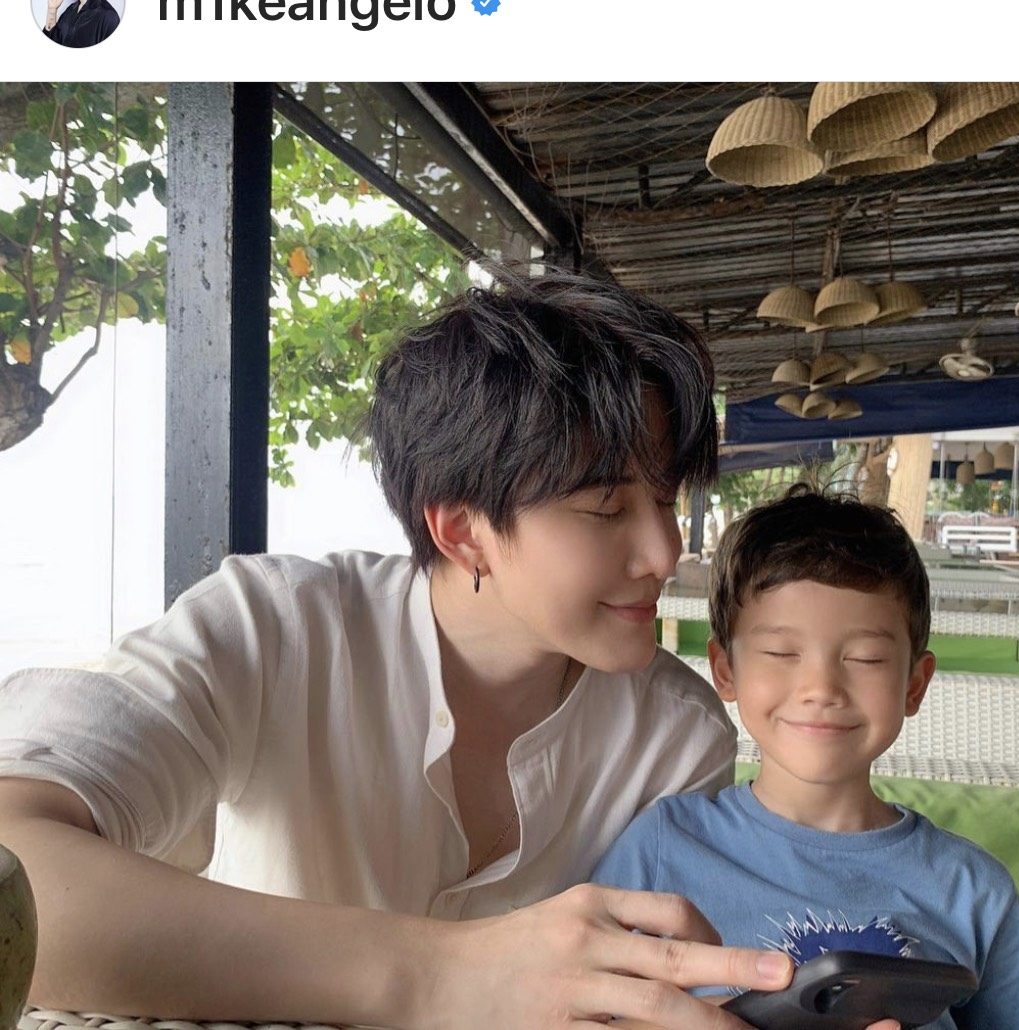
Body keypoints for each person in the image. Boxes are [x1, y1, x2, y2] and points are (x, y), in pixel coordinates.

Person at [0, 269, 803, 1029]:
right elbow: (16, 856)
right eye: (606, 508)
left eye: (665, 499)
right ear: (462, 531)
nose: (664, 552)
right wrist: (444, 973)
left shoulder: (677, 736)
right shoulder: (275, 628)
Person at [592, 486, 1019, 1028]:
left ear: (914, 684)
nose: (821, 687)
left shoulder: (973, 892)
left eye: (865, 657)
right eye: (780, 652)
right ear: (725, 669)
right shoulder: (661, 847)